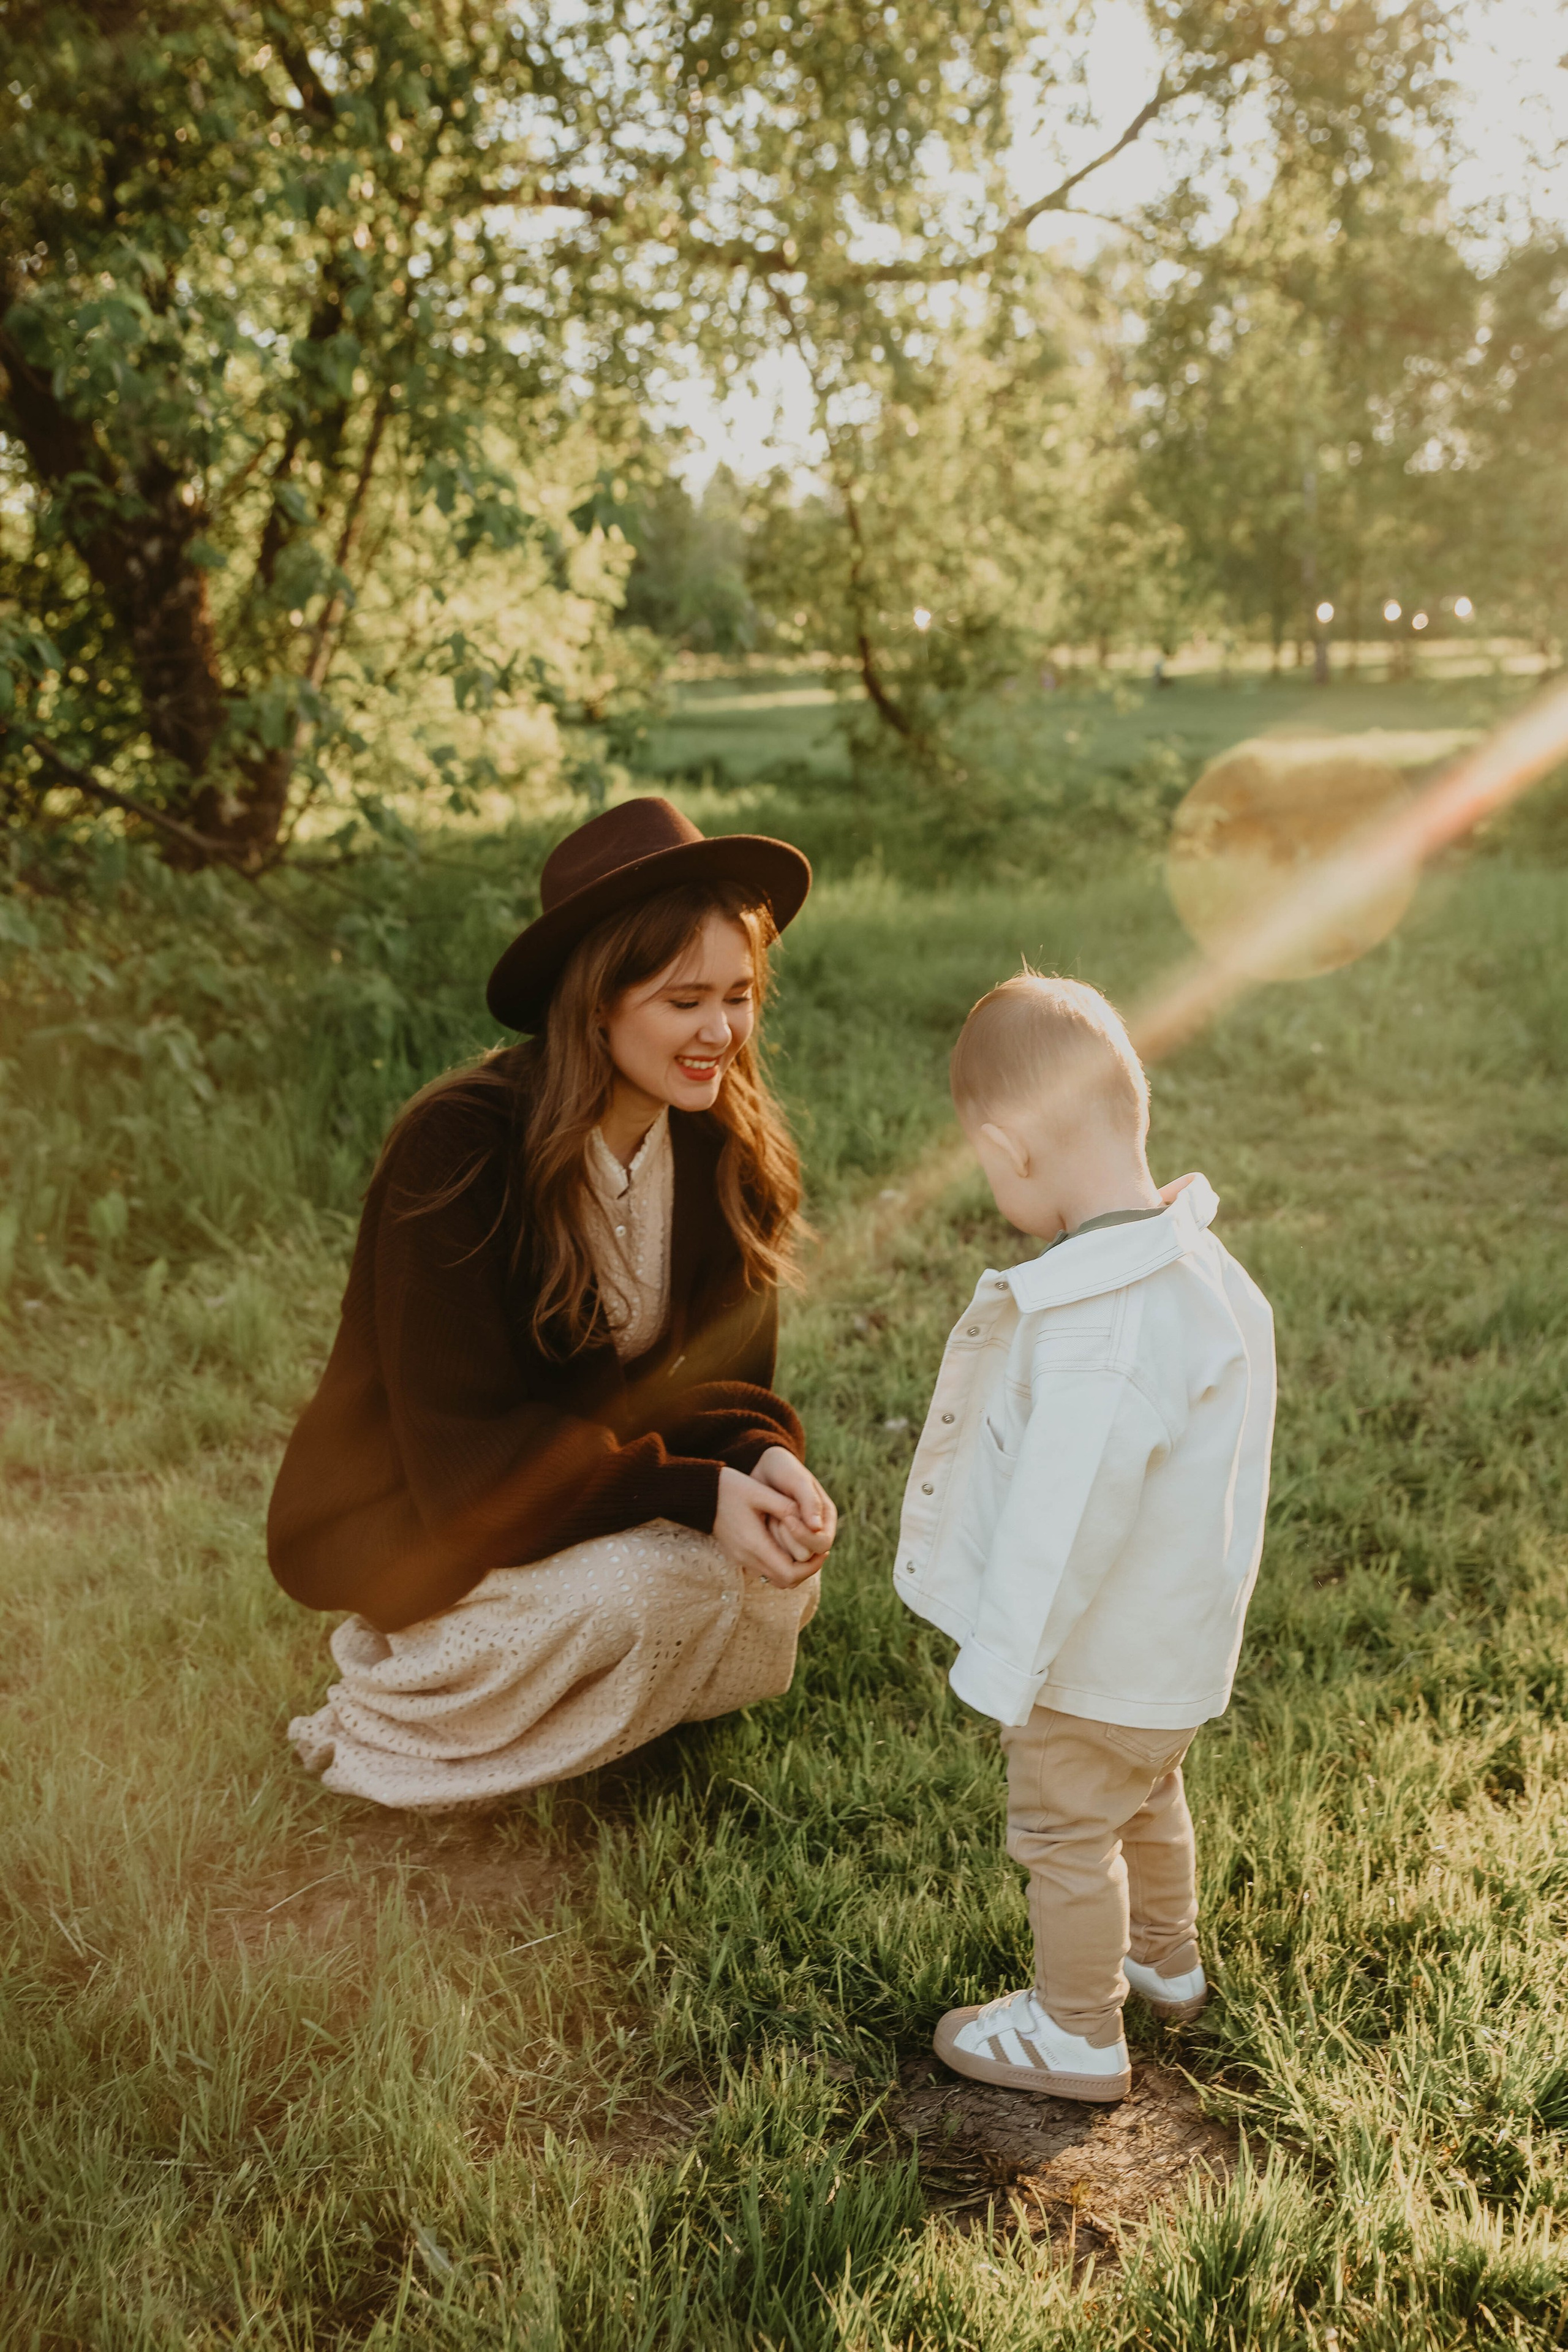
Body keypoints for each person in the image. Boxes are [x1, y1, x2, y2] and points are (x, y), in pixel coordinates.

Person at [268, 796, 837, 1811]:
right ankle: (391, 1709)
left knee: (771, 1577)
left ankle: (561, 1698)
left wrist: (765, 1459)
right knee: (653, 1589)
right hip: (435, 1516)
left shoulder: (721, 1148)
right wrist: (695, 1496)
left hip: (577, 1487)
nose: (721, 1033)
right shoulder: (460, 1152)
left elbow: (727, 1390)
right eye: (684, 1001)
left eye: (740, 996)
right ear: (597, 1003)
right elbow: (464, 1465)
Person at [894, 971, 1275, 2100]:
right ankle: (1163, 1957)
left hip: (1092, 1666)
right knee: (1147, 1793)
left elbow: (1063, 1523)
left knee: (1066, 1832)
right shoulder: (1212, 1276)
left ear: (1012, 1150)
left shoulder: (1096, 1326)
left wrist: (1009, 1667)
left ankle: (1077, 2031)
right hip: (1173, 1660)